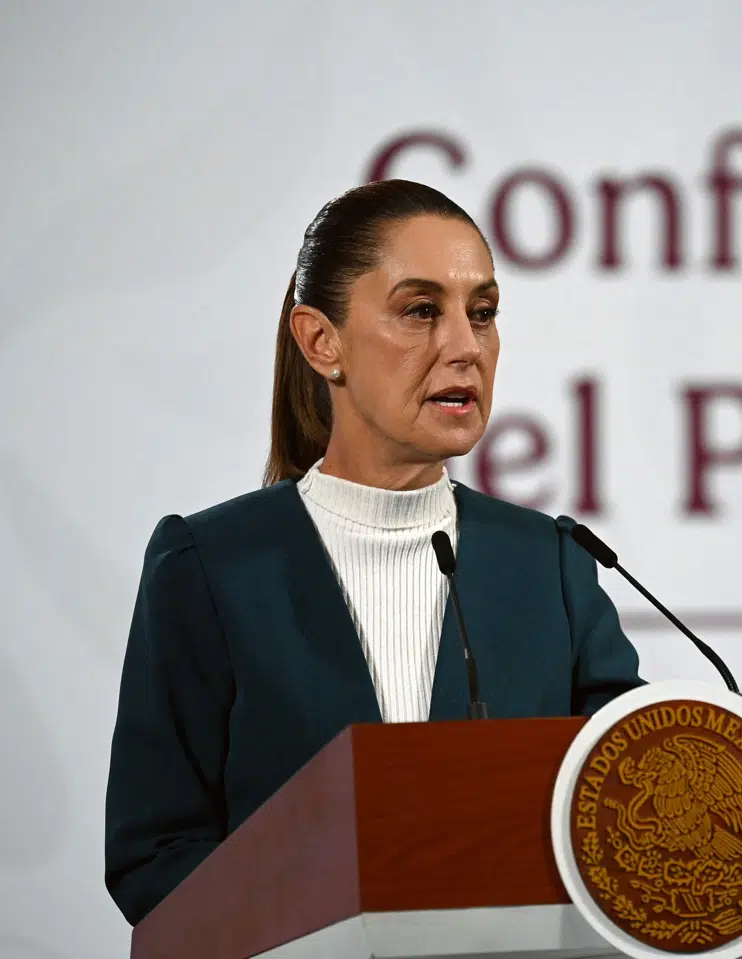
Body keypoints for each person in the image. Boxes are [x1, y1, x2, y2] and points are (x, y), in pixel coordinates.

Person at [103, 180, 644, 925]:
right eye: (421, 311)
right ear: (321, 341)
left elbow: (637, 809)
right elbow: (154, 853)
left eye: (481, 313)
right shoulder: (211, 566)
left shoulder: (548, 565)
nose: (464, 346)